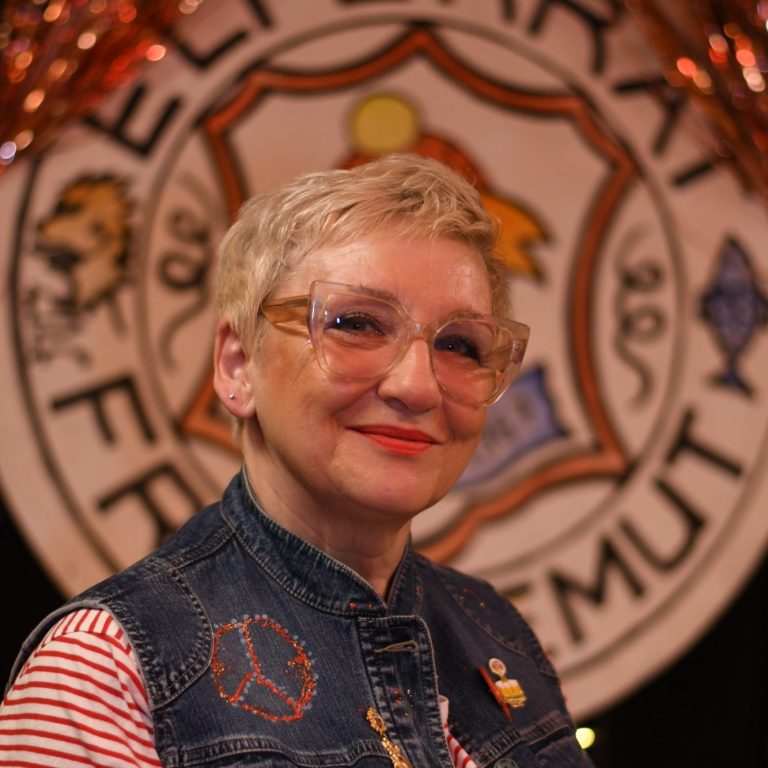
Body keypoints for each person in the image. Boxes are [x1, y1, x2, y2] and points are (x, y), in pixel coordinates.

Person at [1, 154, 592, 767]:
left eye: (460, 345)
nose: (418, 387)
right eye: (357, 324)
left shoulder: (499, 632)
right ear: (237, 366)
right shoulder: (104, 671)